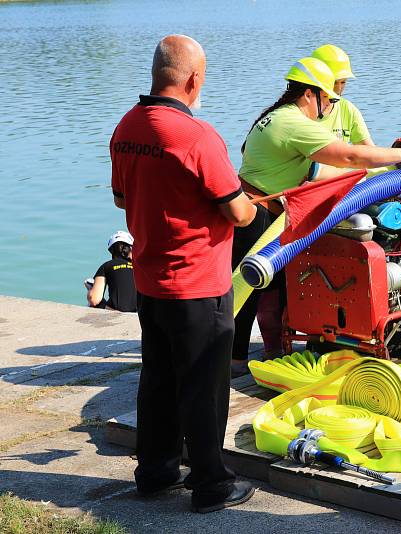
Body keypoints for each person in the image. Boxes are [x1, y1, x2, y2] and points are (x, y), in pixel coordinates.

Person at [110, 34, 257, 513]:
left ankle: (155, 472)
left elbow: (121, 198)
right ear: (194, 80)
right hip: (198, 286)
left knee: (158, 381)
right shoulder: (197, 137)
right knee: (203, 389)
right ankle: (212, 483)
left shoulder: (127, 127)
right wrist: (251, 204)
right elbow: (239, 214)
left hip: (151, 280)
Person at [230, 56, 401, 376]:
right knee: (254, 290)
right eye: (328, 98)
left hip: (256, 206)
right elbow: (349, 155)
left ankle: (251, 356)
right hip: (261, 215)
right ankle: (237, 364)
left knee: (259, 289)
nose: (331, 106)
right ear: (309, 94)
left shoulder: (276, 116)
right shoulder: (293, 122)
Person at [311, 44, 373, 145]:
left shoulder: (348, 110)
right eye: (334, 82)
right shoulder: (298, 114)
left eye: (343, 82)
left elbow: (370, 151)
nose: (338, 89)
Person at [86, 231, 137, 312]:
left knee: (93, 296)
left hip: (115, 313)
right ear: (130, 249)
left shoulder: (106, 266)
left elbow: (94, 300)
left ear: (112, 251)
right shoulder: (140, 267)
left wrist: (89, 293)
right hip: (139, 314)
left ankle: (92, 287)